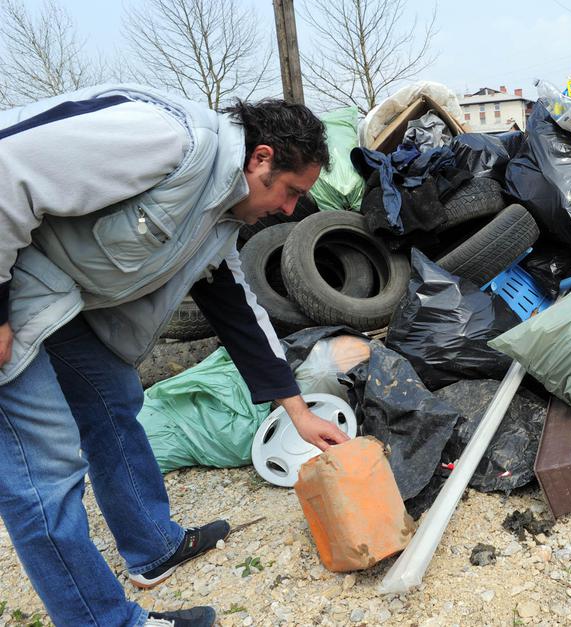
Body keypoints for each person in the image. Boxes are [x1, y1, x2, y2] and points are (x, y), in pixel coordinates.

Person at [0, 85, 351, 626]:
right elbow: (5, 166)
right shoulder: (165, 139)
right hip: (7, 275)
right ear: (260, 159)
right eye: (288, 192)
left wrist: (297, 410)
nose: (289, 209)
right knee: (43, 467)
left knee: (113, 398)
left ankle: (152, 546)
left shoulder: (223, 221)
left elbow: (238, 310)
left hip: (48, 287)